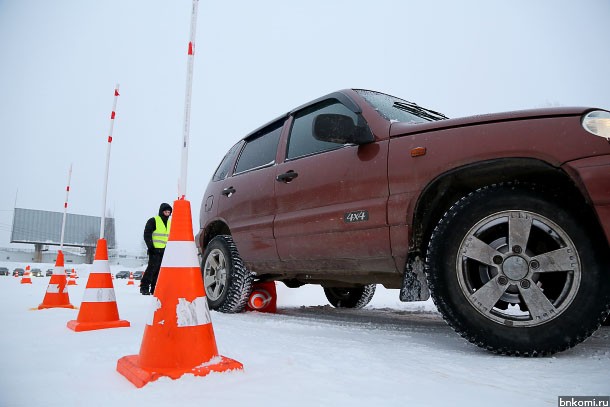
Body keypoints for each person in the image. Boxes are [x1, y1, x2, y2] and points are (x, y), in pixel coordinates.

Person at [140, 203, 172, 295]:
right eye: (166, 211)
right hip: (154, 250)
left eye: (169, 212)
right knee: (151, 269)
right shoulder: (153, 220)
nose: (167, 213)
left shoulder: (169, 224)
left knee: (159, 271)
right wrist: (150, 247)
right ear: (162, 212)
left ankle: (154, 289)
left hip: (164, 251)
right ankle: (144, 287)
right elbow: (147, 234)